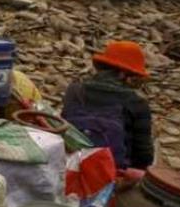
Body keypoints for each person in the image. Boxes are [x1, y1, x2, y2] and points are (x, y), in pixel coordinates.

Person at [62, 41, 154, 170]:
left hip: (67, 163)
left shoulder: (75, 90)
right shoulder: (137, 103)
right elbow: (143, 157)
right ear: (122, 74)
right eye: (134, 76)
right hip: (110, 173)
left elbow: (62, 126)